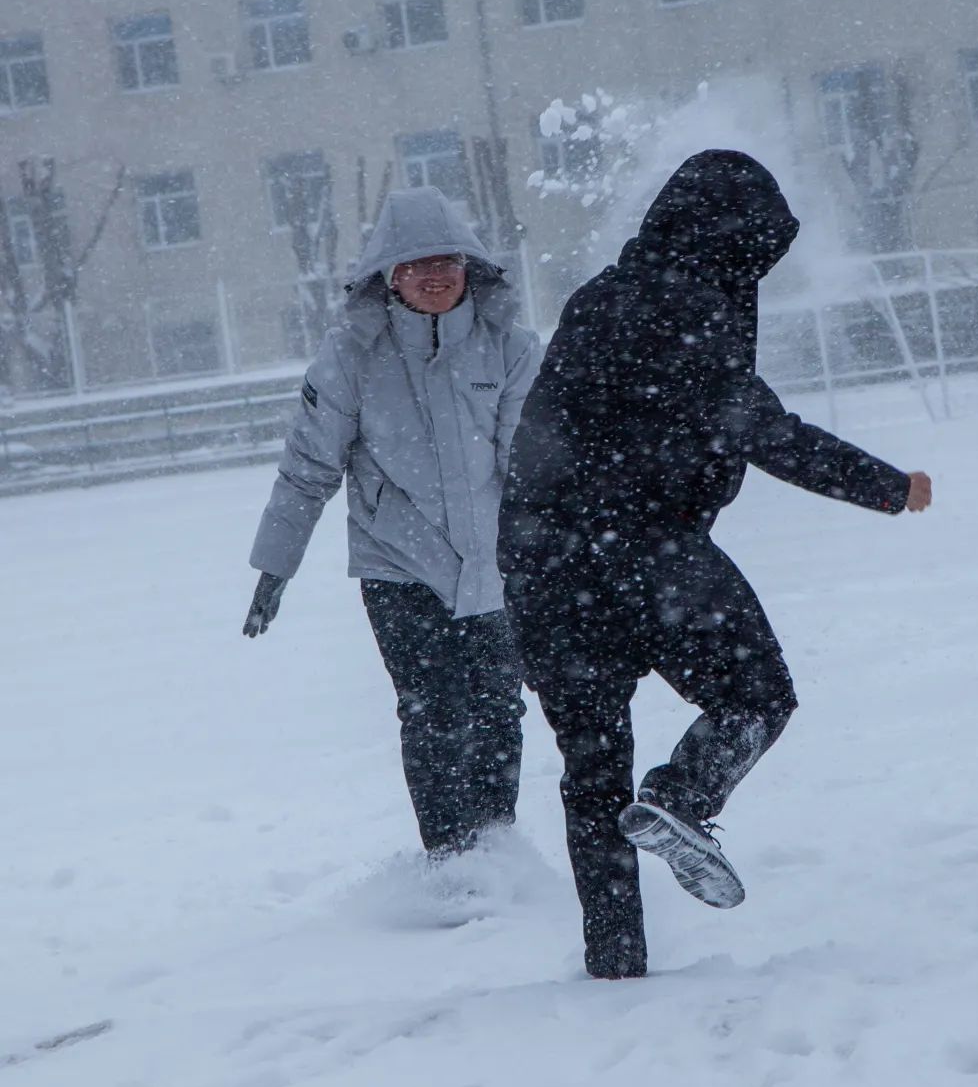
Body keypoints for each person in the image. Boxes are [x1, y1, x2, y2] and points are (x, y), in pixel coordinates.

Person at [497, 151, 932, 980]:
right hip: (643, 554)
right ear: (731, 242)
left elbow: (544, 446)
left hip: (541, 566)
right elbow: (766, 433)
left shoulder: (599, 299)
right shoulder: (687, 311)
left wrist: (529, 570)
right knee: (757, 693)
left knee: (592, 775)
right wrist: (888, 487)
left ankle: (615, 965)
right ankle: (683, 796)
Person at [244, 186, 540, 858]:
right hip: (398, 569)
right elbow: (307, 466)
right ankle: (448, 860)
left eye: (447, 260)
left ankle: (497, 851)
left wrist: (556, 554)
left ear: (471, 267)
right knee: (432, 712)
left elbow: (531, 470)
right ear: (388, 274)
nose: (434, 275)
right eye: (415, 264)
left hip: (494, 569)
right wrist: (275, 565)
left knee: (498, 710)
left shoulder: (510, 349)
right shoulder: (351, 358)